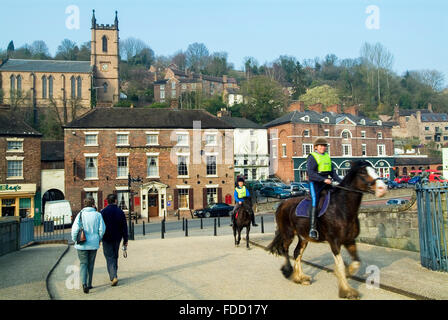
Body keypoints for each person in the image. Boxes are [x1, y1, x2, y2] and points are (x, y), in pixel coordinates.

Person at [306, 138, 342, 240]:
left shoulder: (327, 156)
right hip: (315, 183)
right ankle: (312, 229)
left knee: (336, 195)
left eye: (324, 146)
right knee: (315, 201)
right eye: (320, 146)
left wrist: (341, 181)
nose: (323, 147)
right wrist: (323, 180)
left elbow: (332, 173)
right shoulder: (312, 157)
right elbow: (311, 173)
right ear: (316, 147)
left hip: (325, 182)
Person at [71, 197, 106, 294]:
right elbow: (102, 230)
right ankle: (89, 283)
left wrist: (75, 240)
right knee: (91, 264)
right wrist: (98, 239)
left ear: (84, 204)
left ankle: (84, 283)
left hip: (82, 244)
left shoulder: (80, 214)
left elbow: (75, 230)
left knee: (83, 264)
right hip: (93, 244)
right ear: (93, 204)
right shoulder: (98, 215)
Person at [100, 194, 129, 287]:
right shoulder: (120, 212)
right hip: (117, 238)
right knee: (115, 256)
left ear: (107, 201)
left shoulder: (103, 212)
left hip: (106, 238)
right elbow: (124, 227)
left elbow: (100, 227)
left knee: (109, 257)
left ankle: (113, 276)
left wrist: (99, 238)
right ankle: (114, 274)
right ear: (115, 201)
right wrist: (125, 240)